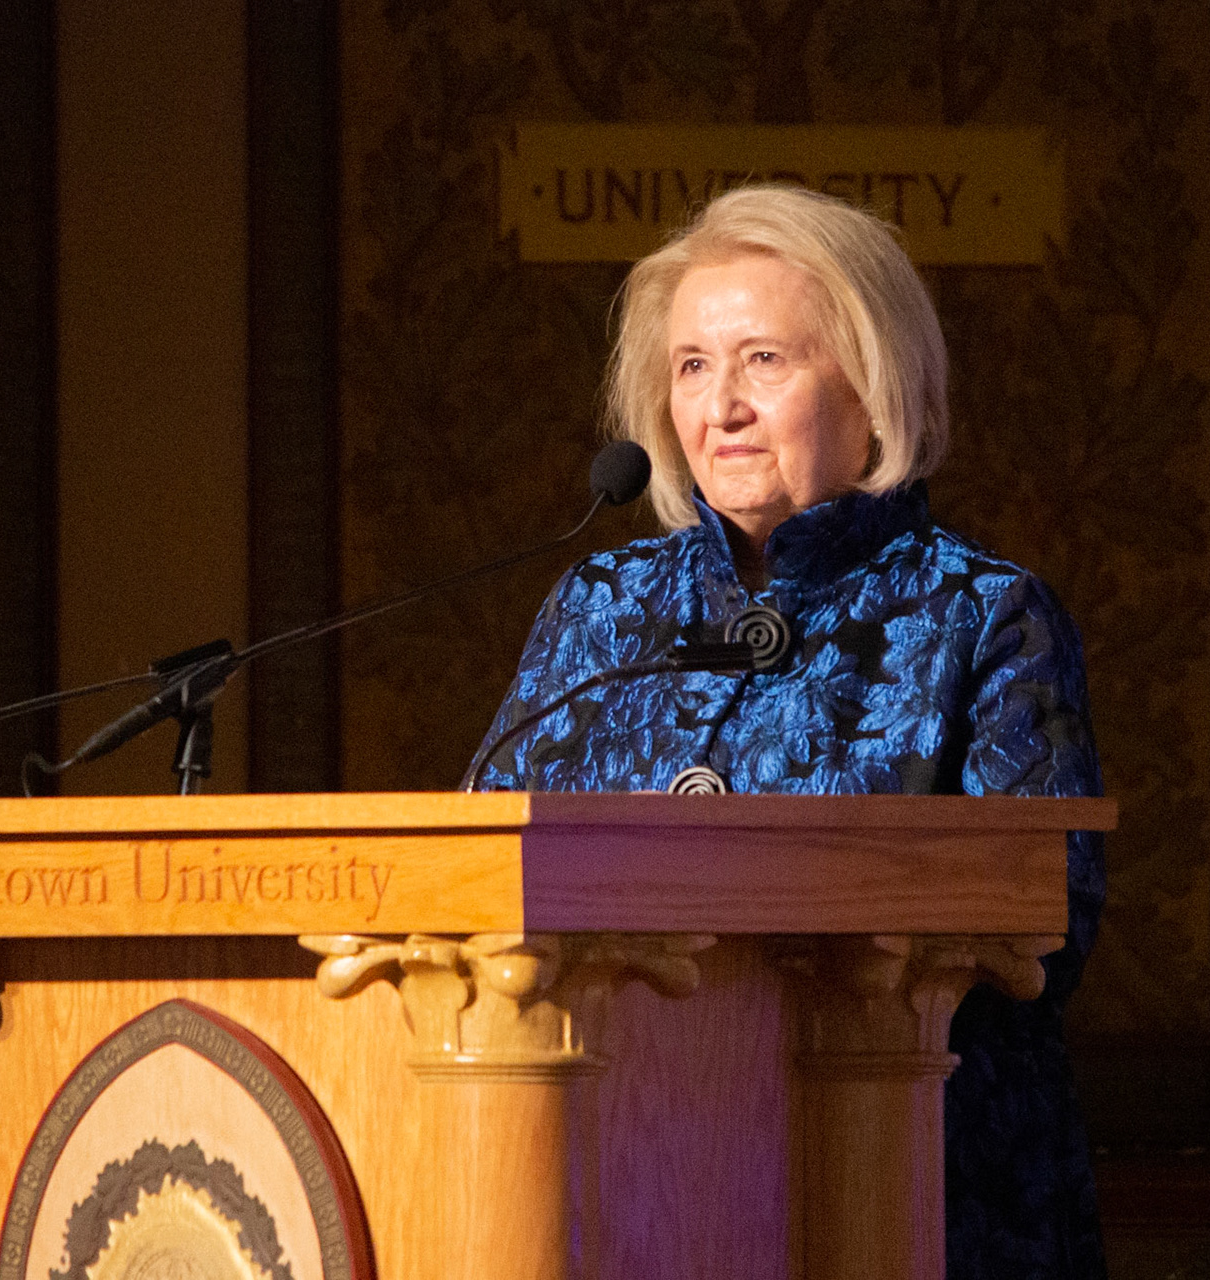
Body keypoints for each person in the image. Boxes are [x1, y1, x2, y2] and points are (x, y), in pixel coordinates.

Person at [471, 185, 1107, 1279]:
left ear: (873, 383)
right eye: (692, 367)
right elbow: (477, 875)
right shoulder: (600, 608)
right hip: (625, 1183)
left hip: (907, 1194)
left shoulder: (979, 613)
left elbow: (1052, 923)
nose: (722, 406)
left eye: (764, 360)